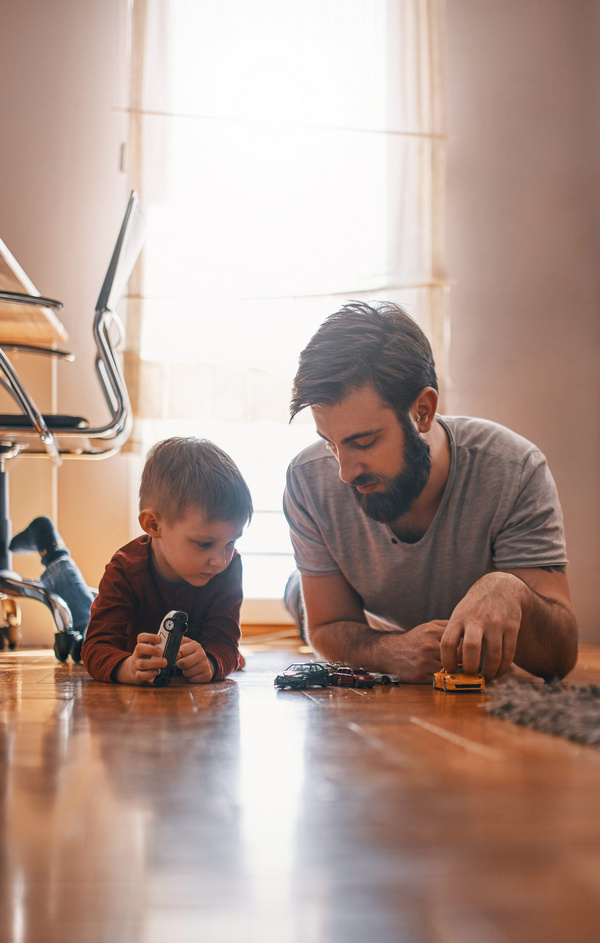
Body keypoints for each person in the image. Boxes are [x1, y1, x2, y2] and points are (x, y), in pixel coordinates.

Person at [283, 301, 578, 683]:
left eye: (364, 441)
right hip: (367, 612)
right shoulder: (308, 480)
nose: (344, 471)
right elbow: (326, 626)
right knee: (297, 598)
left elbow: (559, 660)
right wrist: (391, 651)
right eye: (330, 443)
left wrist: (511, 590)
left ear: (422, 410)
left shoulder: (514, 468)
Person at [82, 437, 253, 685]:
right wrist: (126, 667)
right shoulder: (125, 569)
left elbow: (225, 644)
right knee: (79, 625)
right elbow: (97, 647)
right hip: (109, 634)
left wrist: (211, 661)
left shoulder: (228, 567)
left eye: (231, 543)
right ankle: (55, 555)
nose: (220, 560)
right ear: (153, 525)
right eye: (205, 544)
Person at [9, 516, 95, 661]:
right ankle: (45, 546)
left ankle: (44, 546)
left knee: (43, 527)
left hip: (93, 631)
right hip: (98, 628)